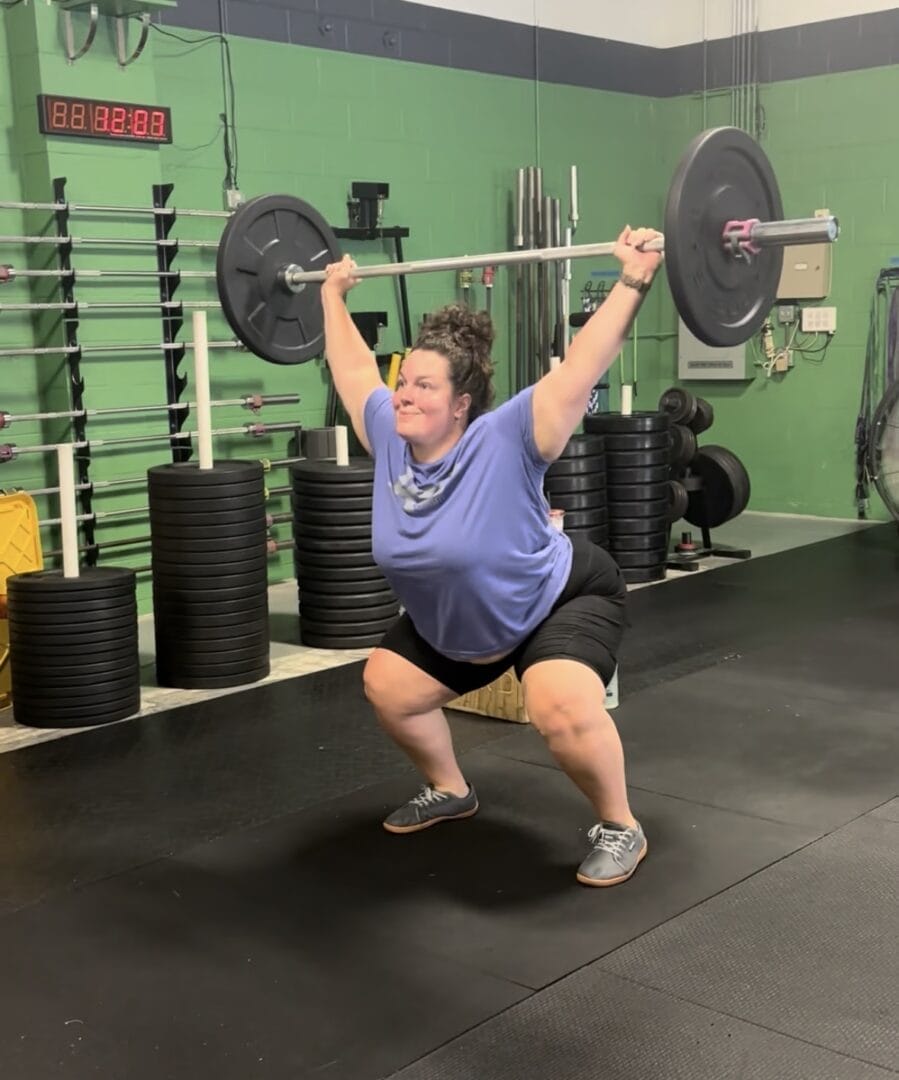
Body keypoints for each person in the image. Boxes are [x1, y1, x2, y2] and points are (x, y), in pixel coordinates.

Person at [320, 226, 662, 887]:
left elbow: (582, 364)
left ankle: (620, 825)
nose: (404, 393)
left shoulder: (507, 437)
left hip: (554, 599)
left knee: (555, 706)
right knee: (387, 686)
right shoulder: (389, 436)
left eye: (423, 386)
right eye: (404, 381)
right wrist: (332, 295)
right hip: (461, 626)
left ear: (460, 404)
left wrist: (633, 279)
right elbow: (354, 369)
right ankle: (450, 789)